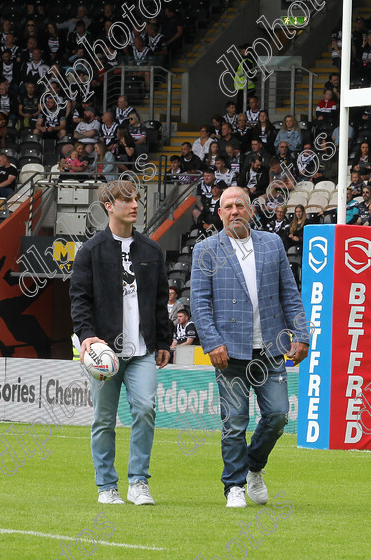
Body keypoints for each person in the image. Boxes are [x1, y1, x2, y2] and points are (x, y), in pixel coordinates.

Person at [190, 186, 309, 508]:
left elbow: (290, 293)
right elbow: (199, 303)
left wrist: (301, 334)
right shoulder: (205, 250)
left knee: (278, 416)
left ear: (251, 210)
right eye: (227, 206)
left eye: (240, 205)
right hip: (230, 352)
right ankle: (234, 486)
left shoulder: (272, 244)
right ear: (220, 213)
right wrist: (212, 342)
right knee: (234, 424)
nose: (234, 211)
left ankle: (254, 467)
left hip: (270, 348)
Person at [69, 180, 173, 506]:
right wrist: (86, 336)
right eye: (126, 199)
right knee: (103, 419)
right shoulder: (90, 251)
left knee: (145, 409)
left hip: (142, 351)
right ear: (108, 206)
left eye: (136, 199)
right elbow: (79, 300)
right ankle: (106, 487)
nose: (134, 205)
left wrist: (164, 341)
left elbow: (160, 301)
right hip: (104, 353)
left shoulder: (152, 250)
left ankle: (139, 482)